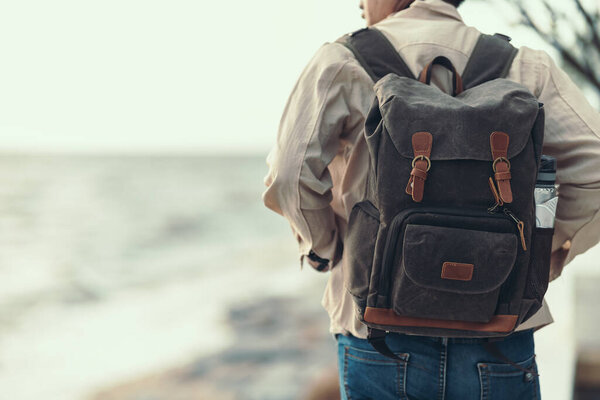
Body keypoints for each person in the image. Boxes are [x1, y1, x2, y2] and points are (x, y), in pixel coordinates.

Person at [262, 0, 600, 398]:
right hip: (500, 326)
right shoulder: (526, 67)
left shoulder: (341, 61)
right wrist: (530, 256)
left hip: (380, 331)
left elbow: (288, 177)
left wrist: (326, 248)